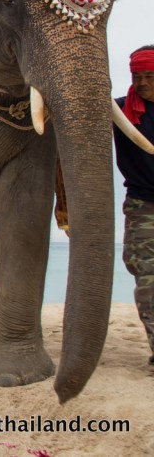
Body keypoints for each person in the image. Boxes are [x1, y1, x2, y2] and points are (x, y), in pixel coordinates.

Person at [113, 44, 154, 366]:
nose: (142, 83)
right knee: (147, 278)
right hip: (143, 206)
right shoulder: (120, 110)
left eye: (149, 76)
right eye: (136, 76)